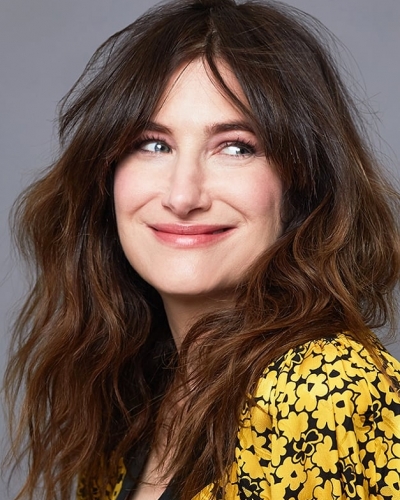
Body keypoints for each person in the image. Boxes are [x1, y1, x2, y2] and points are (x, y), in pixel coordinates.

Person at [4, 0, 400, 499]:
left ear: (304, 181)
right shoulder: (134, 394)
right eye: (153, 144)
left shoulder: (324, 389)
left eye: (236, 147)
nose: (182, 195)